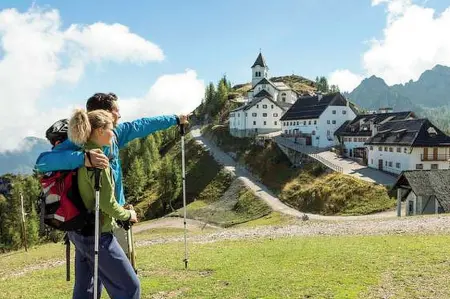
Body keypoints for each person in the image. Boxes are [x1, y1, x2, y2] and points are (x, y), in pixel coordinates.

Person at [35, 93, 189, 254]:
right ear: (104, 115)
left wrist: (176, 119)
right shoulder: (79, 140)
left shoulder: (114, 134)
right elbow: (42, 163)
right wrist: (83, 158)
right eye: (116, 110)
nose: (120, 115)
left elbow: (142, 125)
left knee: (110, 267)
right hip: (92, 221)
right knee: (115, 271)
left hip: (115, 211)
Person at [67, 108, 139, 299]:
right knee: (130, 287)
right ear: (99, 131)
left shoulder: (80, 155)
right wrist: (128, 215)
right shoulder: (99, 160)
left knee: (86, 290)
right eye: (110, 128)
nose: (113, 133)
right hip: (98, 235)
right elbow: (107, 204)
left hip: (77, 232)